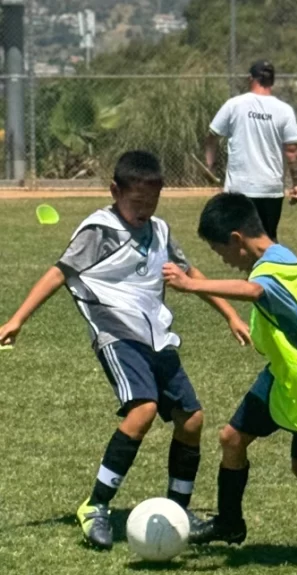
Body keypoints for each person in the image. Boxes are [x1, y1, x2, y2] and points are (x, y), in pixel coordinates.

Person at [0, 151, 250, 551]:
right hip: (116, 334)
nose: (143, 212)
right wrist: (17, 319)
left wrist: (230, 316)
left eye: (151, 204)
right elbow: (59, 272)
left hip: (156, 337)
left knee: (192, 419)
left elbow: (190, 276)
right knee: (144, 409)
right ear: (115, 191)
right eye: (136, 204)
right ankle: (95, 505)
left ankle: (177, 509)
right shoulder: (99, 230)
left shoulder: (161, 232)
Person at [162, 193, 297, 558]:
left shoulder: (277, 268)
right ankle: (230, 522)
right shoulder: (274, 260)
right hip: (284, 372)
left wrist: (191, 285)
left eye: (222, 253)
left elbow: (254, 290)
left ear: (237, 239)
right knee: (231, 438)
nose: (226, 262)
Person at [205, 59, 297, 241]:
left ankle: (254, 269)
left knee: (240, 239)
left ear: (251, 79)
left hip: (240, 188)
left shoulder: (234, 105)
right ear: (272, 81)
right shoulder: (284, 110)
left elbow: (212, 136)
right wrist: (296, 183)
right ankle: (271, 268)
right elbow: (292, 150)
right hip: (270, 188)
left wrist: (210, 166)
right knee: (268, 238)